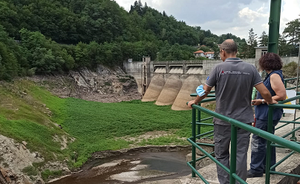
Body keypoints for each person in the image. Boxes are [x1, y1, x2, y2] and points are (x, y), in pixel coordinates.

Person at [188, 39, 277, 184]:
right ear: (236, 51)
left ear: (223, 51)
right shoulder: (250, 68)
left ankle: (225, 182)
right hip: (244, 121)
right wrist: (270, 100)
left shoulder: (218, 68)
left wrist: (195, 101)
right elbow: (265, 93)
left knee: (222, 154)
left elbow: (205, 91)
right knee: (240, 154)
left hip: (222, 120)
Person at [247, 53, 286, 178]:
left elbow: (281, 95)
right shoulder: (275, 74)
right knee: (268, 139)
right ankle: (268, 166)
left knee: (258, 141)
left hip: (266, 114)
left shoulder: (274, 75)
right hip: (268, 114)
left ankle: (256, 169)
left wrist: (261, 101)